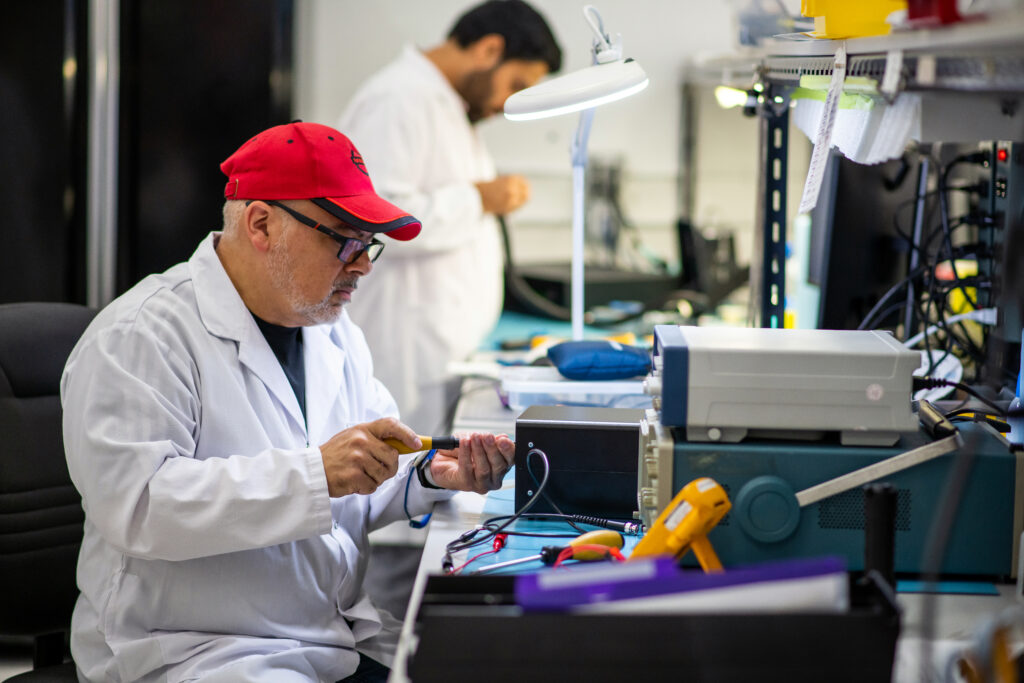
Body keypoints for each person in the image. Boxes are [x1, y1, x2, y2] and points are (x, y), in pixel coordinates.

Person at [61, 121, 516, 683]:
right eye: (343, 239)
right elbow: (137, 508)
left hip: (327, 636)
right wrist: (314, 474)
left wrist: (426, 476)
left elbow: (355, 482)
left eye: (368, 242)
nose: (364, 264)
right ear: (261, 223)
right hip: (194, 652)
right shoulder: (141, 335)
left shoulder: (333, 331)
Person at [337, 0, 562, 435]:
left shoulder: (446, 105)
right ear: (489, 50)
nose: (507, 103)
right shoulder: (399, 98)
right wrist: (478, 199)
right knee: (399, 483)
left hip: (440, 355)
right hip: (403, 356)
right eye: (515, 83)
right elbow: (374, 220)